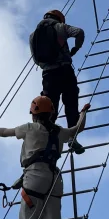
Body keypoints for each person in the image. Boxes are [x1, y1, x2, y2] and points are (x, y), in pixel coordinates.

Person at [29, 9, 86, 152]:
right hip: (65, 70)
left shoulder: (33, 35)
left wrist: (47, 64)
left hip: (48, 75)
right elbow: (79, 32)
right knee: (71, 102)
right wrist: (75, 48)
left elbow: (36, 59)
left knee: (49, 106)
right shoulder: (60, 27)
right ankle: (72, 138)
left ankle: (45, 138)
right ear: (59, 19)